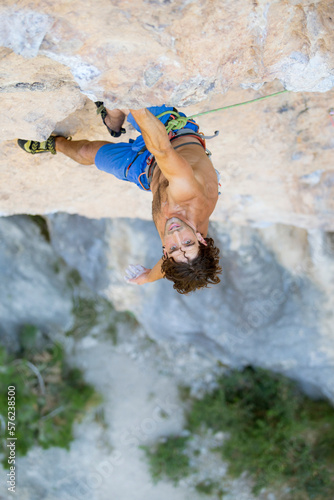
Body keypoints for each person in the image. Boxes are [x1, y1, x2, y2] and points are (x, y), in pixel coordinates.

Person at [18, 104, 222, 294]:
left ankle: (56, 142)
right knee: (129, 99)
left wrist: (147, 278)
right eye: (187, 242)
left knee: (85, 152)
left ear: (167, 254)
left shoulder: (180, 252)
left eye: (174, 248)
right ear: (201, 239)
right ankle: (116, 113)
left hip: (147, 170)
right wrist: (133, 102)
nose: (176, 235)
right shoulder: (187, 193)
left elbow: (167, 267)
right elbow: (162, 150)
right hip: (171, 135)